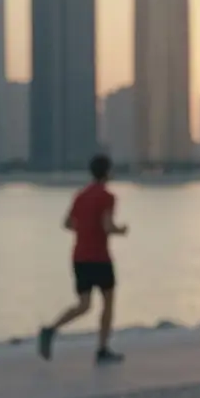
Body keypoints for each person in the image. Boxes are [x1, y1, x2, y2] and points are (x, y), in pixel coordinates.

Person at [38, 154, 128, 364]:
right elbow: (107, 226)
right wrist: (121, 230)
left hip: (79, 256)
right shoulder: (107, 197)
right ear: (107, 172)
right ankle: (102, 349)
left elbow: (67, 223)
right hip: (100, 257)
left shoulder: (80, 195)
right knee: (108, 303)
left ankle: (50, 329)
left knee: (84, 304)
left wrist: (85, 229)